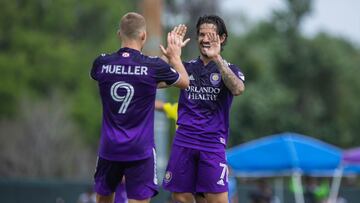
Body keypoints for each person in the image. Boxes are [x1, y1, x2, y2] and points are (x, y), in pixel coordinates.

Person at [90, 12, 189, 203]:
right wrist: (174, 56)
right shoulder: (152, 67)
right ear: (144, 36)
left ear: (119, 33)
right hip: (140, 151)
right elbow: (184, 82)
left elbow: (136, 78)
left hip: (109, 148)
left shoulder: (101, 63)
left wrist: (163, 61)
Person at [162, 15, 245, 203]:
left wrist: (217, 58)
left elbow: (238, 88)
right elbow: (156, 81)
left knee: (217, 200)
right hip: (184, 140)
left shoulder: (229, 69)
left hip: (212, 143)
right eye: (201, 34)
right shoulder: (187, 67)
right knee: (181, 197)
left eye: (211, 35)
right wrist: (170, 55)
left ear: (222, 38)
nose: (205, 39)